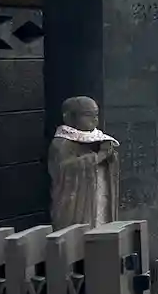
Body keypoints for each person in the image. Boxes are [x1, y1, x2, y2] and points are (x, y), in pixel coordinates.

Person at [48, 96, 120, 229]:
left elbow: (108, 164)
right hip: (77, 205)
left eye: (96, 115)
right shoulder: (62, 143)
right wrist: (99, 156)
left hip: (99, 198)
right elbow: (64, 170)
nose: (94, 119)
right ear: (69, 117)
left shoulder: (98, 138)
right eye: (87, 115)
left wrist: (110, 155)